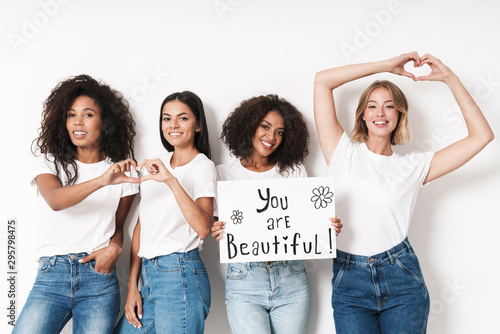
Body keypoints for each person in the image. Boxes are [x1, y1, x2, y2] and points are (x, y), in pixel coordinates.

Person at [313, 52, 494, 333]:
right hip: (349, 282)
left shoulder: (413, 166)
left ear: (399, 114)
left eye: (389, 106)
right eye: (372, 106)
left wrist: (450, 78)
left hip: (401, 279)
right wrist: (386, 66)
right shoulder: (341, 152)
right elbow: (322, 81)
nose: (380, 113)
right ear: (362, 113)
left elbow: (482, 136)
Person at [14, 75, 140, 334]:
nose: (77, 122)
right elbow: (56, 200)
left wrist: (115, 248)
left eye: (88, 115)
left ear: (105, 122)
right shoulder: (49, 162)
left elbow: (118, 226)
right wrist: (102, 181)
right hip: (52, 275)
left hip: (98, 278)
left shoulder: (124, 172)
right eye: (71, 115)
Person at [211, 94, 342, 334]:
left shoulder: (292, 172)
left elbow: (305, 222)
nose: (272, 137)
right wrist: (216, 228)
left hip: (291, 276)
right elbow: (218, 224)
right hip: (244, 278)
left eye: (280, 132)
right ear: (249, 125)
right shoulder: (223, 174)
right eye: (265, 127)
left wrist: (326, 226)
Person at [114, 91, 215, 333]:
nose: (173, 125)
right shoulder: (154, 162)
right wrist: (132, 286)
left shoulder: (203, 167)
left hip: (180, 274)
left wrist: (171, 180)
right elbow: (142, 226)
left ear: (198, 124)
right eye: (166, 118)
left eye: (183, 118)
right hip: (149, 276)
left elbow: (203, 227)